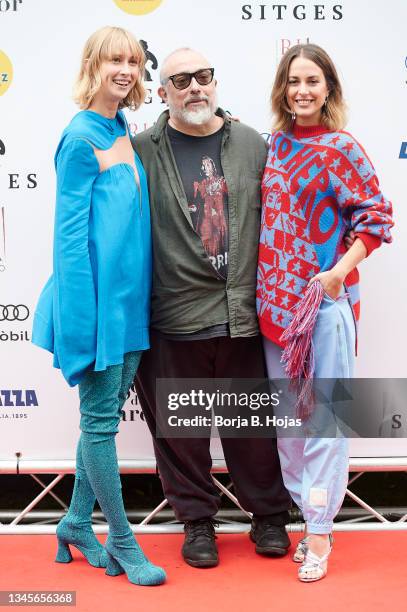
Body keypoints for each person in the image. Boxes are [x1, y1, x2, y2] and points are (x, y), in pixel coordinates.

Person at [132, 47, 292, 568]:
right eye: (181, 80)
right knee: (182, 432)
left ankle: (267, 517)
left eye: (203, 76)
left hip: (242, 312)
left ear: (215, 82)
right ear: (164, 92)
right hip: (174, 316)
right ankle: (197, 522)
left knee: (251, 429)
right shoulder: (141, 151)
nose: (195, 87)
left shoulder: (251, 143)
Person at [32, 26, 165, 587]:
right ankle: (123, 541)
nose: (125, 71)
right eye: (114, 60)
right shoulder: (79, 137)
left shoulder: (121, 127)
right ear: (94, 65)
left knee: (99, 422)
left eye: (133, 62)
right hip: (98, 312)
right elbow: (69, 242)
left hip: (133, 305)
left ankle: (73, 524)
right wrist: (83, 327)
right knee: (101, 424)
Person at [257, 43, 393, 582]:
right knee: (290, 424)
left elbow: (376, 219)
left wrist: (339, 270)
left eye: (312, 80)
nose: (302, 90)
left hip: (327, 305)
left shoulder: (343, 148)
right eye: (293, 81)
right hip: (277, 315)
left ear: (329, 87)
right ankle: (307, 511)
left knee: (326, 420)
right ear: (283, 89)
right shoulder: (272, 147)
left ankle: (320, 529)